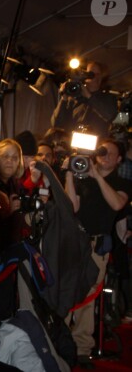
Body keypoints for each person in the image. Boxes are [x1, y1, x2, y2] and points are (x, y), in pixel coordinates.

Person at [62, 138, 132, 369]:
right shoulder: (83, 176)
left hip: (97, 246)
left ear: (119, 159)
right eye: (101, 151)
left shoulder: (121, 182)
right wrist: (71, 174)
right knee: (67, 291)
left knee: (88, 297)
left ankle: (82, 347)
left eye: (109, 153)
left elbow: (117, 204)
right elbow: (71, 207)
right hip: (75, 242)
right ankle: (61, 341)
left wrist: (97, 176)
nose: (104, 155)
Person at [51, 61, 118, 139]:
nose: (94, 77)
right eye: (90, 74)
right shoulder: (73, 99)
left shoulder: (109, 98)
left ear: (101, 78)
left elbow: (112, 117)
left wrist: (89, 96)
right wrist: (64, 98)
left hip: (97, 144)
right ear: (85, 76)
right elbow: (56, 124)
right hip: (72, 145)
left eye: (98, 74)